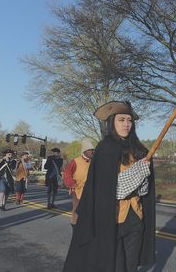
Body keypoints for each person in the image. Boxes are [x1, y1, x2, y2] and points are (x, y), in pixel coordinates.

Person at [63, 101, 155, 272]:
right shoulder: (105, 148)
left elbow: (144, 190)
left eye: (129, 120)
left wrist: (144, 173)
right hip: (111, 219)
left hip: (135, 216)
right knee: (115, 266)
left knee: (131, 266)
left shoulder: (140, 151)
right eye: (121, 120)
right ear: (112, 122)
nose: (126, 124)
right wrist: (138, 172)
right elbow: (114, 189)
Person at [63, 138, 95, 226]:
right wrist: (72, 184)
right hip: (78, 190)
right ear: (84, 151)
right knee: (77, 210)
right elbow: (67, 174)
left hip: (91, 190)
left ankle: (86, 227)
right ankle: (75, 226)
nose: (92, 152)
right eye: (90, 150)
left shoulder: (94, 162)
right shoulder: (75, 161)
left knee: (89, 211)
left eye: (93, 150)